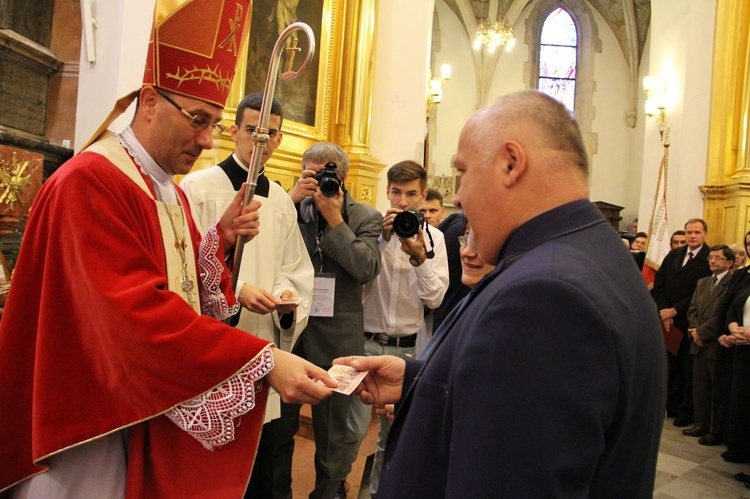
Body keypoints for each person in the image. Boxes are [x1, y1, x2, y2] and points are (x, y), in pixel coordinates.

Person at [0, 1, 335, 496]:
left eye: (215, 124)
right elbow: (132, 316)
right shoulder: (91, 182)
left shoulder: (167, 190)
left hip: (140, 407)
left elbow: (185, 290)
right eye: (198, 119)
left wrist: (216, 241)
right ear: (151, 99)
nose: (206, 140)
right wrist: (262, 360)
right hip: (88, 424)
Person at [336, 90, 666, 498]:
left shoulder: (546, 297)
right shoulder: (588, 253)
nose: (457, 196)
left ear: (511, 164)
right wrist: (421, 380)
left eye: (463, 172)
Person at [180, 93, 315, 497]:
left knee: (261, 465)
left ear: (278, 140)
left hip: (263, 341)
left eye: (270, 134)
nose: (261, 141)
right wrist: (237, 290)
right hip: (212, 351)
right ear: (235, 130)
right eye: (254, 131)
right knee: (211, 471)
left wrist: (284, 293)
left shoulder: (281, 202)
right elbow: (183, 261)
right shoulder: (197, 187)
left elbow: (295, 267)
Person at [344, 160, 449, 497]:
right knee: (350, 431)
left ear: (422, 195)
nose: (403, 202)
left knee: (394, 436)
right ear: (386, 192)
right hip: (366, 342)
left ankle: (380, 493)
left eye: (411, 194)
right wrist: (382, 242)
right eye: (397, 193)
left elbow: (434, 299)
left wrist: (417, 255)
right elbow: (356, 290)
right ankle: (336, 488)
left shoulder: (436, 239)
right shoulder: (369, 232)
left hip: (407, 350)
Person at [285, 142, 382, 499]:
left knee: (334, 435)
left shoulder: (364, 217)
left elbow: (366, 268)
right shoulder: (291, 209)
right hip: (291, 336)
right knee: (280, 428)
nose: (316, 183)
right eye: (308, 175)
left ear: (341, 178)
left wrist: (335, 220)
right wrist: (290, 202)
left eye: (323, 175)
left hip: (338, 341)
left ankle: (328, 492)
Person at [652, 218, 712, 427]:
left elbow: (700, 293)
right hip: (667, 320)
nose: (692, 236)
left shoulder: (708, 259)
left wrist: (675, 310)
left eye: (697, 232)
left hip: (689, 319)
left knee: (687, 369)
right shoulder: (674, 255)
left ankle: (686, 411)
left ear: (704, 234)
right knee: (670, 366)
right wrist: (664, 311)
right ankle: (670, 405)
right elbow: (658, 284)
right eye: (689, 232)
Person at [682, 245, 734, 439]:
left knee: (716, 389)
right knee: (700, 387)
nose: (712, 261)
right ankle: (700, 425)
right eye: (711, 257)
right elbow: (692, 309)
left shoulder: (732, 282)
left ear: (729, 263)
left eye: (718, 258)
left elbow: (723, 313)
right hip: (698, 341)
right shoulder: (702, 282)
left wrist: (702, 333)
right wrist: (695, 331)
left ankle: (715, 430)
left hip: (715, 342)